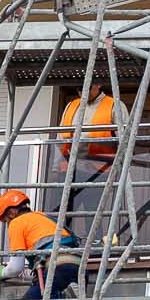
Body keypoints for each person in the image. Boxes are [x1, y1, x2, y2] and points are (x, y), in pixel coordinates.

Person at [56, 78, 118, 240]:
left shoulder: (113, 105)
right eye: (78, 88)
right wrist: (56, 167)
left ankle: (95, 250)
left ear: (99, 85)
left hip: (97, 172)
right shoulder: (72, 106)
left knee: (93, 216)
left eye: (87, 88)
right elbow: (59, 138)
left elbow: (125, 140)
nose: (82, 92)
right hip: (69, 169)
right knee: (61, 215)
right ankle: (62, 248)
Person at [0, 189, 81, 300]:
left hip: (56, 268)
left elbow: (16, 267)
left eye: (6, 220)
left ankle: (64, 296)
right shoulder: (43, 217)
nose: (7, 224)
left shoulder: (16, 223)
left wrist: (3, 272)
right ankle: (67, 294)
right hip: (78, 268)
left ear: (11, 213)